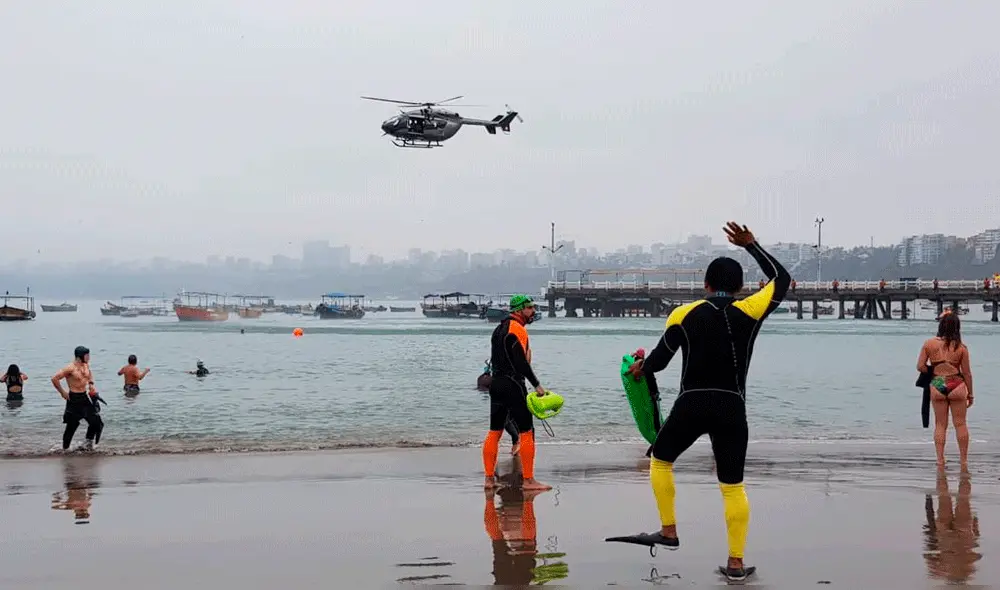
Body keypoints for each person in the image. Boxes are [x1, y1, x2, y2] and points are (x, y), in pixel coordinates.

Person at [619, 222, 791, 582]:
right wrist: (752, 245)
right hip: (731, 407)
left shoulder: (684, 314)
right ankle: (736, 563)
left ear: (706, 285)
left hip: (691, 405)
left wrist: (640, 368)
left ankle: (668, 530)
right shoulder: (750, 310)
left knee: (661, 461)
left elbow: (659, 362)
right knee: (733, 487)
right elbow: (783, 279)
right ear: (740, 287)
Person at [483, 294, 550, 491]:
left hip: (496, 383)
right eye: (529, 308)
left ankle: (488, 479)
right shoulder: (516, 329)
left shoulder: (498, 329)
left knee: (494, 432)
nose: (533, 311)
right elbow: (520, 362)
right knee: (527, 431)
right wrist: (537, 385)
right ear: (518, 310)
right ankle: (529, 481)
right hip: (513, 384)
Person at [917, 311, 974, 469]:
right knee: (960, 424)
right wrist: (970, 393)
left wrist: (933, 370)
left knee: (940, 425)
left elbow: (920, 366)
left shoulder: (929, 344)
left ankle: (940, 460)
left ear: (940, 326)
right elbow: (967, 373)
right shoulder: (962, 347)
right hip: (956, 383)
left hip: (938, 384)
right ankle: (963, 461)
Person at [51, 346, 104, 451]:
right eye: (87, 355)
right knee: (72, 426)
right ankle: (65, 450)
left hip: (84, 397)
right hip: (73, 399)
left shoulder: (85, 365)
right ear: (80, 357)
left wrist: (91, 385)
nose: (89, 357)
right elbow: (54, 378)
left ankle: (87, 445)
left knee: (97, 423)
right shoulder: (70, 368)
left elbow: (89, 376)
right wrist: (62, 392)